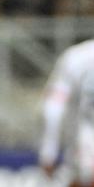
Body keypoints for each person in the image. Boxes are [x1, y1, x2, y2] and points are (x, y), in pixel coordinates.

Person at [39, 39, 94, 187]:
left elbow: (52, 110)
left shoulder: (76, 57)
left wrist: (48, 152)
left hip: (85, 137)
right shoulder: (77, 58)